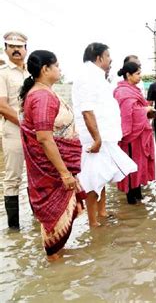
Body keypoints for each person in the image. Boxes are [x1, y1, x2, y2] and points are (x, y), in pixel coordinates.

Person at [19, 50, 86, 261]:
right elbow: (45, 138)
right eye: (56, 65)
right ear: (45, 69)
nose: (60, 69)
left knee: (56, 222)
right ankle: (55, 267)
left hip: (54, 166)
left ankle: (58, 264)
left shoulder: (44, 92)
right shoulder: (41, 96)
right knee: (52, 220)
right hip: (51, 170)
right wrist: (64, 173)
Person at [72, 42, 136, 227]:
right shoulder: (87, 76)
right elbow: (87, 110)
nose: (111, 59)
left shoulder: (98, 76)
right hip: (95, 139)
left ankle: (102, 212)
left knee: (102, 176)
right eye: (108, 56)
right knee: (92, 179)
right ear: (99, 58)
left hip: (105, 137)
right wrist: (97, 138)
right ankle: (93, 222)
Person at [114, 62, 156, 204]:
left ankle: (137, 192)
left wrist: (147, 111)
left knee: (139, 164)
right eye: (137, 73)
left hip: (139, 133)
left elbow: (139, 107)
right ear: (128, 75)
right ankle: (130, 197)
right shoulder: (122, 92)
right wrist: (145, 110)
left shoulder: (134, 90)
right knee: (130, 164)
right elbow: (127, 113)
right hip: (130, 135)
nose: (140, 76)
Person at [0, 31, 29, 229]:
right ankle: (14, 229)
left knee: (36, 175)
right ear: (5, 49)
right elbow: (2, 106)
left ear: (26, 49)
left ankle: (39, 221)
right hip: (13, 130)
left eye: (20, 46)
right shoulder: (2, 74)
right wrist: (25, 123)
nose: (16, 50)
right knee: (13, 178)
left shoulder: (32, 73)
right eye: (12, 46)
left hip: (35, 132)